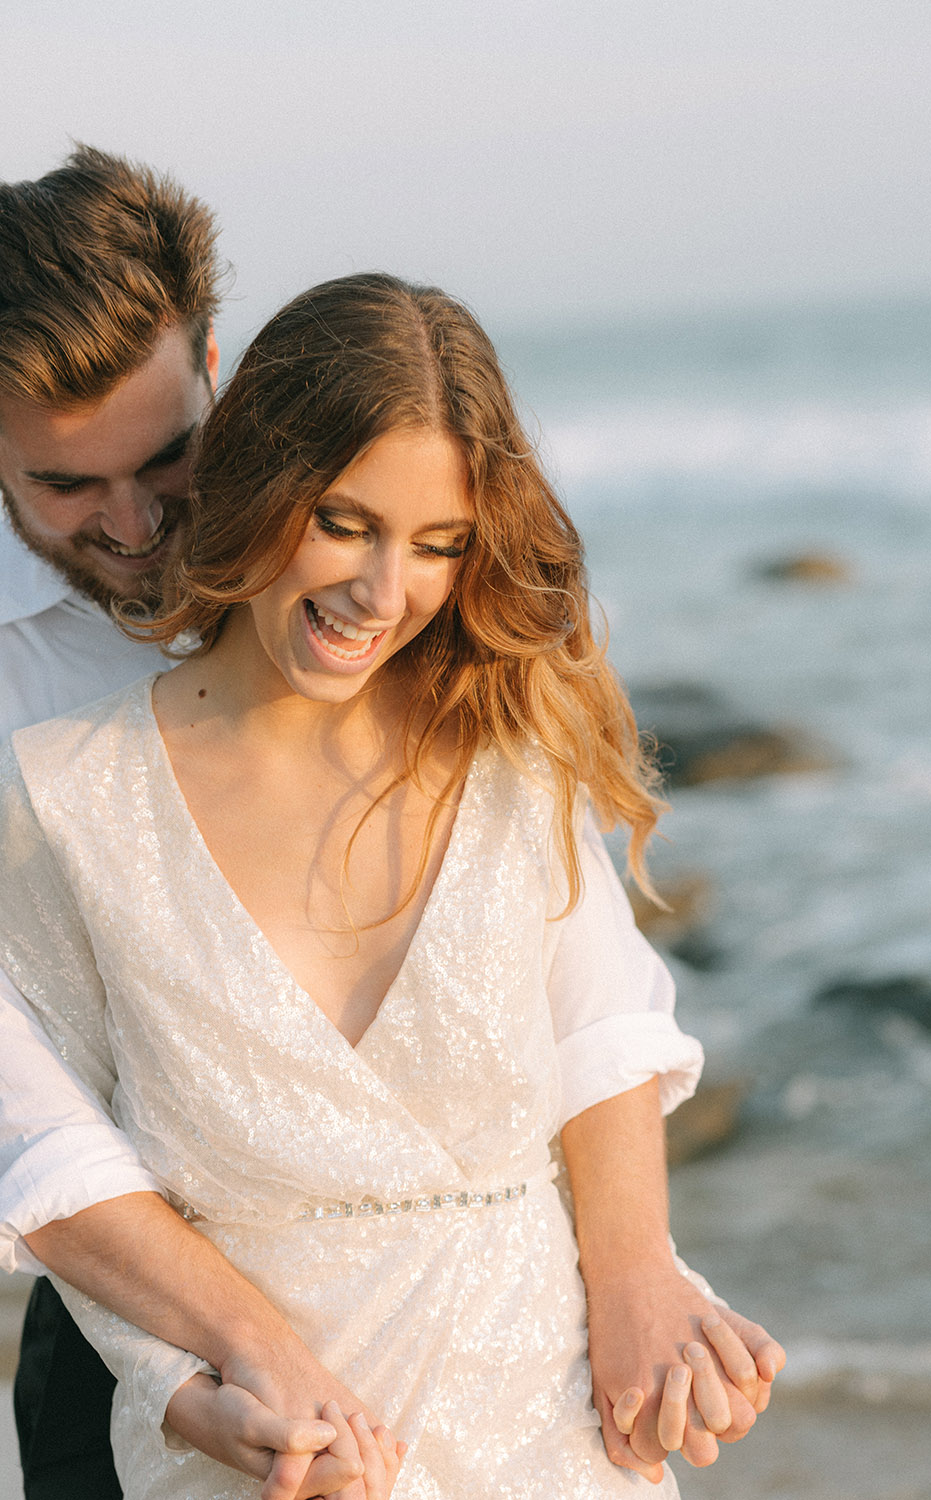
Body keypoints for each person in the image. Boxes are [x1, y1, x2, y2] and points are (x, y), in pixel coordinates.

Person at [0, 272, 784, 1499]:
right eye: (346, 522)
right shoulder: (65, 798)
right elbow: (54, 1155)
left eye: (438, 544)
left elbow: (604, 1022)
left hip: (552, 1430)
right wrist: (188, 1385)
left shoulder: (506, 748)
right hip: (270, 1451)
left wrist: (642, 1280)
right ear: (259, 481)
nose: (382, 594)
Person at [0, 145, 415, 1500]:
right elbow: (19, 1094)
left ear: (218, 370)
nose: (130, 524)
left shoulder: (362, 556)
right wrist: (212, 1359)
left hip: (443, 1279)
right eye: (65, 488)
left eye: (166, 458)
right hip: (127, 1320)